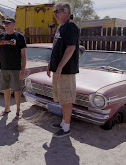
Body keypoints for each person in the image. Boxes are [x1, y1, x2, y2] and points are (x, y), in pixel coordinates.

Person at [47, 2, 80, 138]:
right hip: (58, 70)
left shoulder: (70, 26)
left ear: (66, 11)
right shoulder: (60, 27)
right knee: (61, 97)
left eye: (57, 11)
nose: (55, 14)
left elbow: (71, 48)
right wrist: (50, 64)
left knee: (66, 99)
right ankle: (63, 122)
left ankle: (66, 128)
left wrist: (60, 67)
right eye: (54, 12)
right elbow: (56, 48)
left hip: (66, 71)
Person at [0, 17, 27, 119]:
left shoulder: (19, 37)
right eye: (5, 24)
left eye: (8, 24)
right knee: (6, 89)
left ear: (14, 25)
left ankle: (18, 110)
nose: (6, 25)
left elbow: (23, 55)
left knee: (17, 90)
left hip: (16, 69)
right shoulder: (1, 36)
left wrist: (22, 71)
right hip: (4, 68)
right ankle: (7, 108)